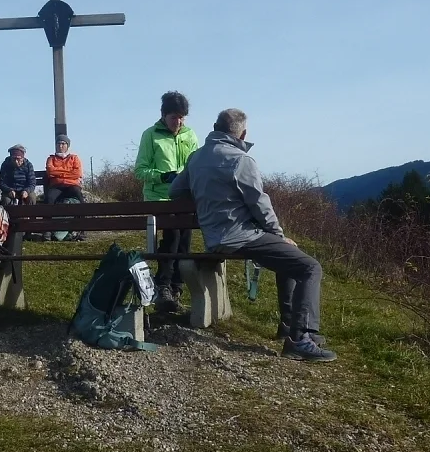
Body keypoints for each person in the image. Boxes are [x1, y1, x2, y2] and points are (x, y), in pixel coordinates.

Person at [169, 108, 337, 362]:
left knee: (289, 259)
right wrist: (278, 235)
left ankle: (290, 327)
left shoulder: (196, 158)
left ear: (215, 127)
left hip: (214, 239)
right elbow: (260, 204)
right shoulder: (241, 160)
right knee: (310, 268)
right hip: (242, 237)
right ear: (242, 134)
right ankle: (300, 339)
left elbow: (175, 191)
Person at [135, 91, 200, 312]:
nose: (178, 122)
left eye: (182, 117)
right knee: (173, 234)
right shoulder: (151, 135)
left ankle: (176, 287)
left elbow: (196, 165)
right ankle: (163, 285)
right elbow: (140, 170)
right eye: (174, 117)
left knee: (185, 238)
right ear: (164, 115)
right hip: (159, 197)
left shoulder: (190, 135)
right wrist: (163, 176)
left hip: (184, 196)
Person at [44, 135, 84, 204]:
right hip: (57, 186)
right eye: (58, 143)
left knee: (78, 194)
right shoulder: (51, 159)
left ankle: (84, 211)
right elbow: (50, 171)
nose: (60, 146)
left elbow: (77, 173)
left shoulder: (74, 158)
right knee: (49, 198)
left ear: (67, 145)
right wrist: (69, 172)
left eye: (63, 144)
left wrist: (58, 173)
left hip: (72, 185)